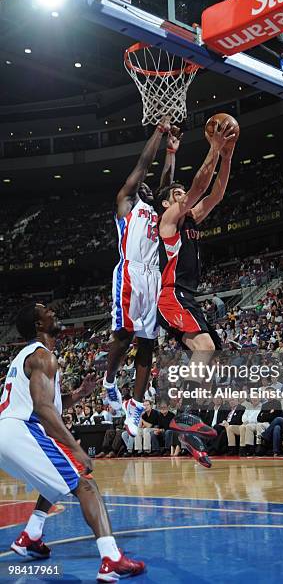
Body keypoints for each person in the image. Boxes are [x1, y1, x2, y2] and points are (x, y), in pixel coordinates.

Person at [0, 302, 144, 580]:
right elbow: (43, 410)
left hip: (8, 434)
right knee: (85, 484)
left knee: (56, 480)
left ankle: (30, 536)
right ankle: (111, 558)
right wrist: (78, 450)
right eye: (45, 310)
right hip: (21, 430)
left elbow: (47, 404)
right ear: (38, 324)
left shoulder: (29, 357)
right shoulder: (43, 357)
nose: (53, 311)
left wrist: (78, 394)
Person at [156, 120, 236, 465]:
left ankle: (189, 431)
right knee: (203, 347)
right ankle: (186, 413)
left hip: (188, 297)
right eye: (176, 195)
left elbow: (215, 192)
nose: (182, 197)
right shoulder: (169, 222)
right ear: (166, 205)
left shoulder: (192, 219)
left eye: (180, 195)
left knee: (210, 355)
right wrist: (214, 148)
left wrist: (228, 155)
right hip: (172, 294)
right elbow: (199, 188)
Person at [103, 115, 181, 437]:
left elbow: (165, 185)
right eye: (142, 183)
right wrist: (159, 133)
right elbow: (143, 165)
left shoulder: (157, 210)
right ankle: (109, 383)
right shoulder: (126, 202)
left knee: (148, 346)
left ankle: (134, 408)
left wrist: (173, 152)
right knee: (124, 335)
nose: (147, 185)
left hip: (153, 277)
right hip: (131, 272)